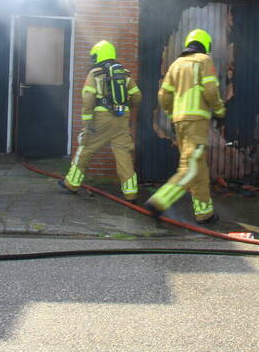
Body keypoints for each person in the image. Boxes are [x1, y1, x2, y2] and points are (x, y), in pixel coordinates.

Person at [144, 28, 226, 225]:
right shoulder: (204, 61)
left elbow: (163, 95)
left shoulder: (175, 65)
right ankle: (159, 201)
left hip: (180, 123)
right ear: (205, 45)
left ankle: (204, 213)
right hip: (196, 123)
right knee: (189, 168)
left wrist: (173, 114)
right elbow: (211, 90)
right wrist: (220, 111)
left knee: (199, 168)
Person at [58, 40, 143, 202]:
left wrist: (87, 121)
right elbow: (137, 96)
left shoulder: (95, 73)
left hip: (101, 119)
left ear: (99, 55)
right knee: (123, 155)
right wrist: (126, 108)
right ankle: (131, 193)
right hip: (121, 121)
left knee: (86, 148)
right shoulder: (125, 74)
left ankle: (71, 183)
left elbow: (88, 97)